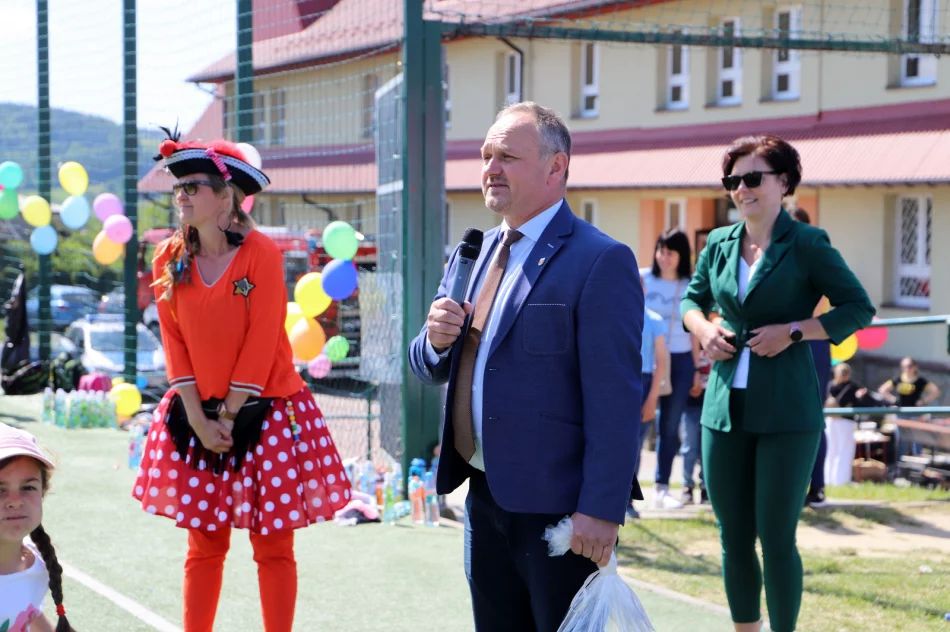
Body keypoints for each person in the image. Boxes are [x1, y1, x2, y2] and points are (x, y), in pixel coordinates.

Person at [408, 101, 644, 632]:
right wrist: (435, 341)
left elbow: (616, 397)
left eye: (508, 156)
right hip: (484, 498)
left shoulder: (600, 260)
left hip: (559, 513)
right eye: (487, 154)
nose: (491, 167)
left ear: (556, 167)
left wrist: (602, 508)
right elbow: (428, 365)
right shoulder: (473, 252)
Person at [131, 134, 351, 632]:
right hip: (198, 413)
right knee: (204, 545)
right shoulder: (168, 258)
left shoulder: (260, 255)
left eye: (194, 186)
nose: (182, 195)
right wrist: (199, 419)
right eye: (178, 187)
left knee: (274, 546)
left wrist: (226, 416)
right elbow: (175, 346)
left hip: (267, 412)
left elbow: (260, 342)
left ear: (226, 195)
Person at [682, 134, 874, 632]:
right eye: (733, 181)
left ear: (784, 182)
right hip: (723, 409)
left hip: (788, 411)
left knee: (775, 535)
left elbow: (858, 308)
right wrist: (704, 329)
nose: (741, 189)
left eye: (753, 178)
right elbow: (690, 300)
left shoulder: (809, 243)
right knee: (733, 537)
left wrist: (794, 332)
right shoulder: (718, 243)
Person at [0, 422, 74, 632]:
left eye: (28, 487)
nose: (15, 501)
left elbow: (27, 610)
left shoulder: (37, 564)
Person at [641, 229, 696, 510]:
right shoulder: (642, 278)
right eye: (660, 250)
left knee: (670, 426)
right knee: (637, 426)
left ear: (681, 255)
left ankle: (661, 487)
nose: (664, 257)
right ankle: (628, 490)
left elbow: (696, 330)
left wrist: (697, 368)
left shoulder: (690, 284)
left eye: (670, 252)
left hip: (681, 359)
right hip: (644, 362)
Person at [790, 208, 832, 507]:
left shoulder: (820, 261)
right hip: (786, 344)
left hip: (813, 343)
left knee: (813, 419)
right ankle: (790, 486)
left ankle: (816, 486)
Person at [629, 299, 668, 520]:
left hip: (643, 381)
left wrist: (652, 398)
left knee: (634, 447)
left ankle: (628, 500)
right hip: (618, 378)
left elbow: (661, 361)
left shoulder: (654, 319)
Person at [879, 356, 942, 457]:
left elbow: (935, 391)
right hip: (901, 412)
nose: (907, 369)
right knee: (901, 439)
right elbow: (883, 390)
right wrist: (893, 399)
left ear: (915, 367)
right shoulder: (898, 379)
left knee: (916, 439)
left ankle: (917, 460)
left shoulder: (920, 381)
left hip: (915, 413)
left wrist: (923, 401)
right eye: (904, 366)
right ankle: (900, 462)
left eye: (909, 366)